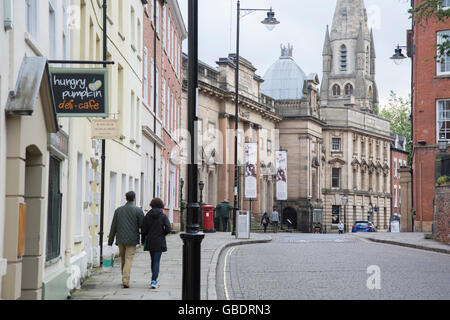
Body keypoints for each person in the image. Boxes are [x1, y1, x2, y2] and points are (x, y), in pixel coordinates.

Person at [108, 191, 144, 288]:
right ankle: (125, 279)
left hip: (120, 239)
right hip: (132, 240)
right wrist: (143, 239)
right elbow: (142, 226)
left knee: (123, 259)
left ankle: (124, 277)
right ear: (134, 199)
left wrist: (110, 240)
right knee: (128, 259)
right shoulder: (138, 211)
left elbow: (113, 226)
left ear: (126, 198)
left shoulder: (118, 210)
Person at [141, 198, 171, 289]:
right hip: (159, 240)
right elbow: (168, 229)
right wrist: (163, 234)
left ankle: (153, 279)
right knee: (157, 260)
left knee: (153, 260)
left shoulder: (147, 215)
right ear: (161, 205)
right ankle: (154, 280)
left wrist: (143, 240)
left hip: (150, 240)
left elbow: (143, 230)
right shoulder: (163, 216)